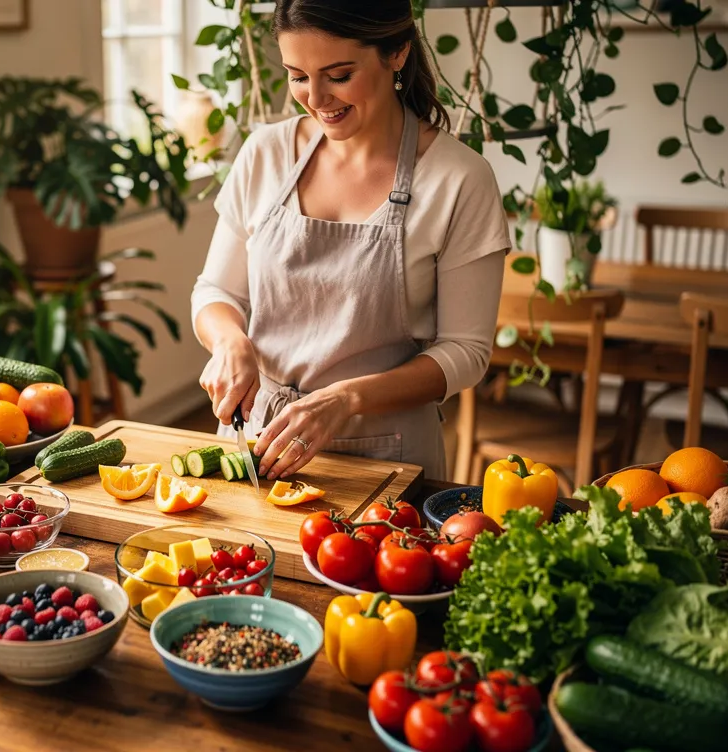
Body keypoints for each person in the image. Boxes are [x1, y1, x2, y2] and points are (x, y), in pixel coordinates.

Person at [191, 0, 510, 481]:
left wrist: (345, 399)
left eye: (338, 75)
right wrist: (230, 341)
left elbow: (466, 352)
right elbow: (216, 292)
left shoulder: (460, 179)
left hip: (390, 460)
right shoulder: (265, 154)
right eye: (298, 76)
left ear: (397, 52)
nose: (316, 98)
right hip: (258, 441)